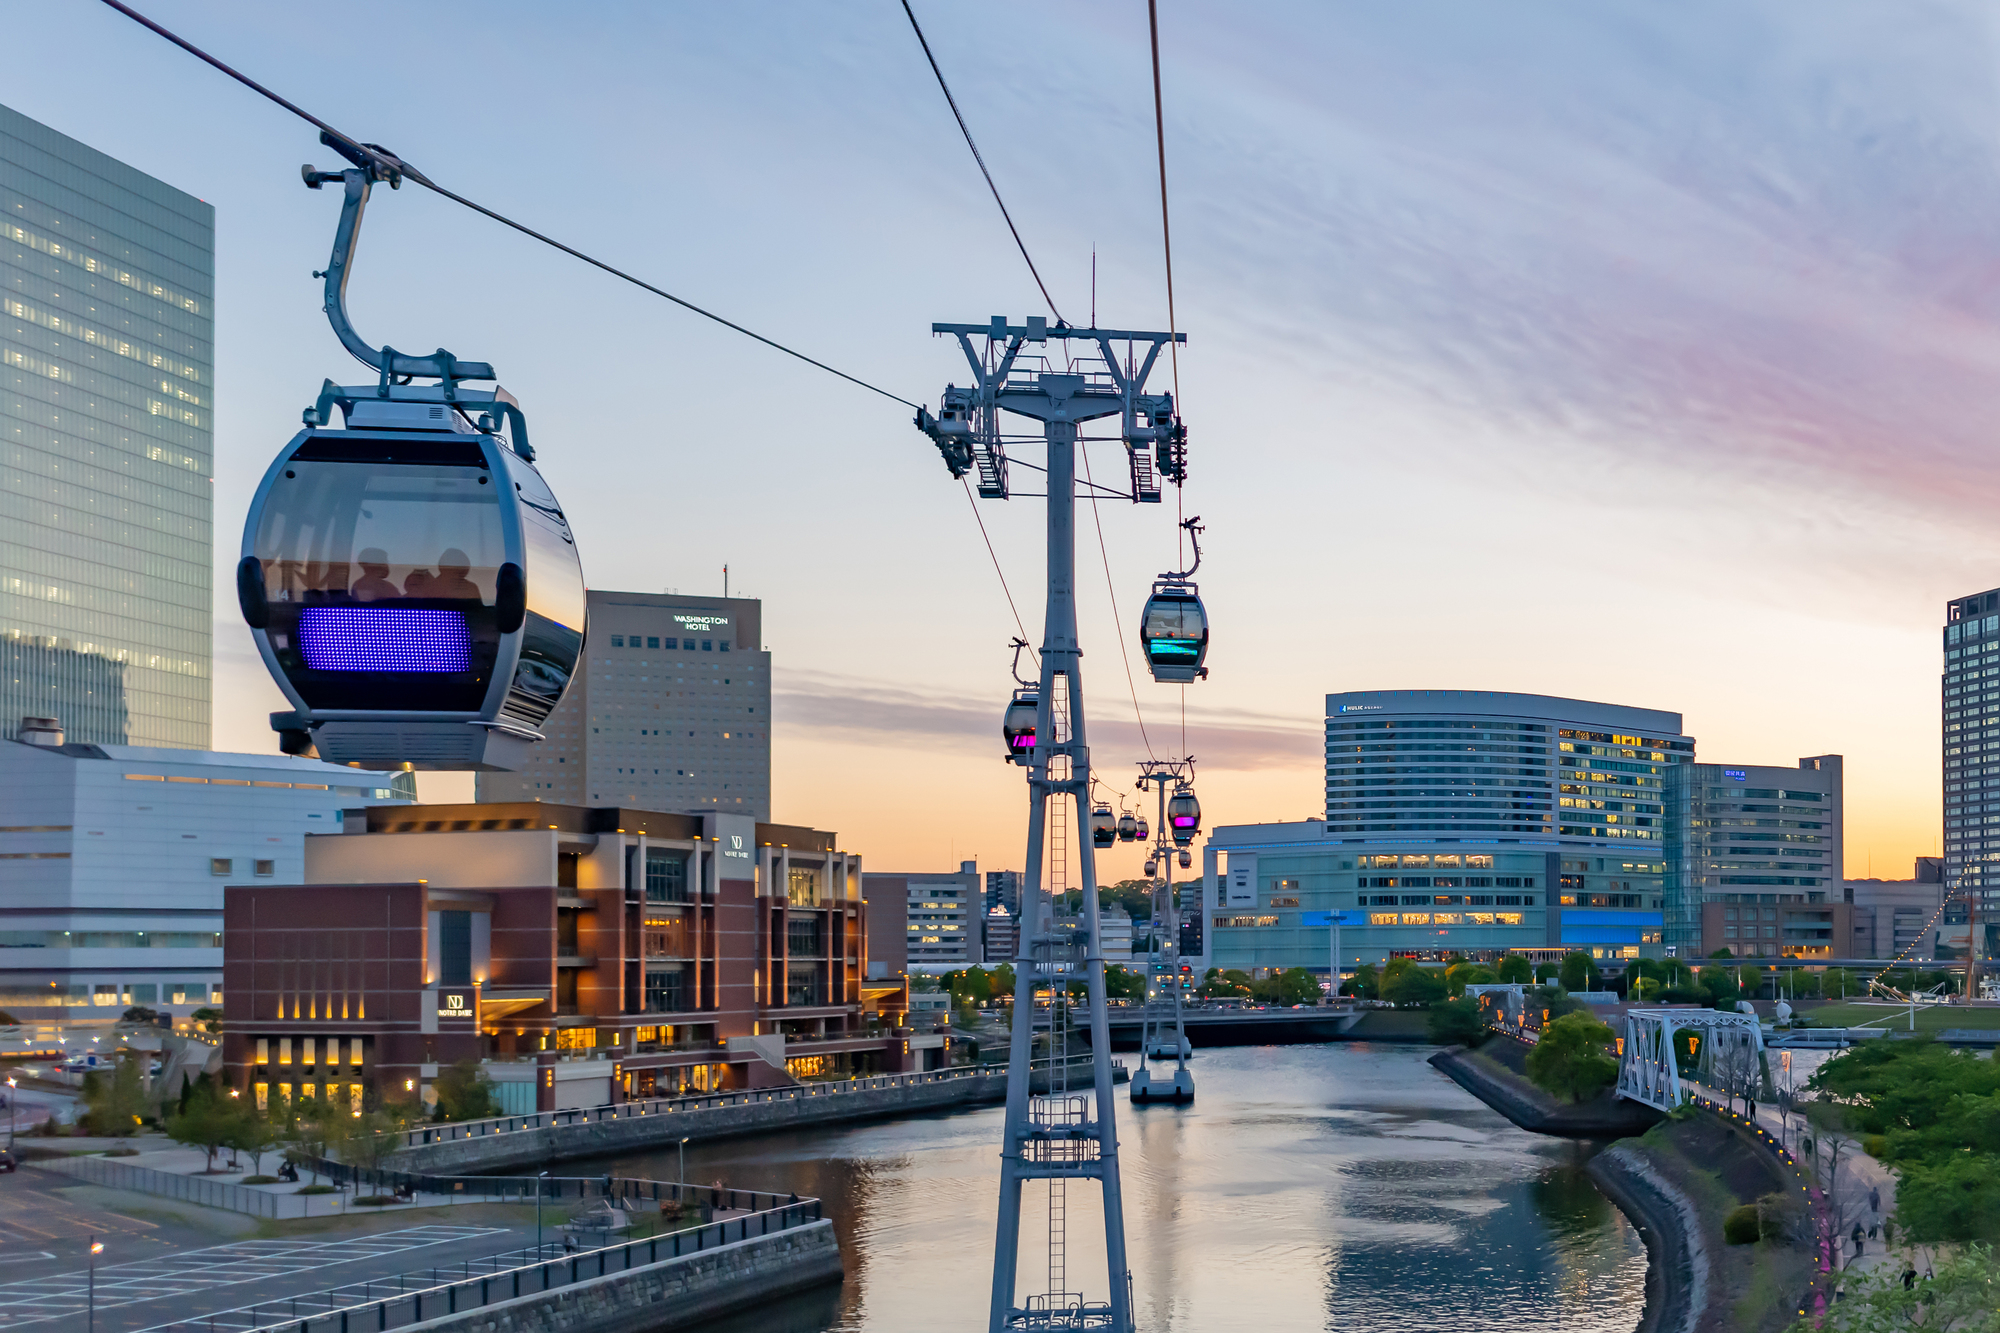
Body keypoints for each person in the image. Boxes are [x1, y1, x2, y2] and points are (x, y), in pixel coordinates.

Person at [410, 548, 480, 600]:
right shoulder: (429, 589)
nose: (457, 575)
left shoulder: (471, 588)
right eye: (453, 566)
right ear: (443, 567)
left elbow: (478, 614)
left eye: (461, 569)